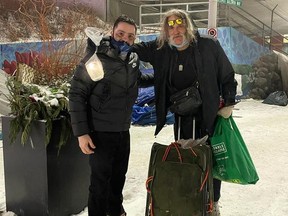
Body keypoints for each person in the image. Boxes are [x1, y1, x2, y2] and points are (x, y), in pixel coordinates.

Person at [132, 9, 238, 216]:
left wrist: (229, 103)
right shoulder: (162, 49)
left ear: (188, 26)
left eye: (180, 24)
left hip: (209, 114)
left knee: (210, 159)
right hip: (182, 116)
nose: (176, 30)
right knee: (184, 156)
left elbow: (227, 74)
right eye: (170, 26)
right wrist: (112, 43)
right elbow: (134, 48)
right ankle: (188, 200)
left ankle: (212, 203)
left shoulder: (208, 45)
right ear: (165, 31)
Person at [69, 15, 151, 216]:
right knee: (99, 185)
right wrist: (82, 134)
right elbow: (76, 93)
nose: (124, 39)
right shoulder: (96, 57)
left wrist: (163, 77)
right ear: (112, 32)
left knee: (117, 181)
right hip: (100, 133)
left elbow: (137, 79)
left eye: (130, 36)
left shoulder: (131, 59)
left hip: (123, 131)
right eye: (120, 33)